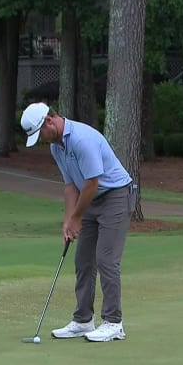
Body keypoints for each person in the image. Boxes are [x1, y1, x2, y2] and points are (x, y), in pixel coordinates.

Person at [20, 102, 133, 342]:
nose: (40, 139)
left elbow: (93, 181)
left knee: (106, 259)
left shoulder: (82, 139)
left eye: (40, 133)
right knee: (83, 260)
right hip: (89, 196)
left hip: (115, 195)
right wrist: (68, 220)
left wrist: (78, 216)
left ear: (50, 121)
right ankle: (83, 320)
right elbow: (71, 185)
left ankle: (114, 323)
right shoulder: (56, 147)